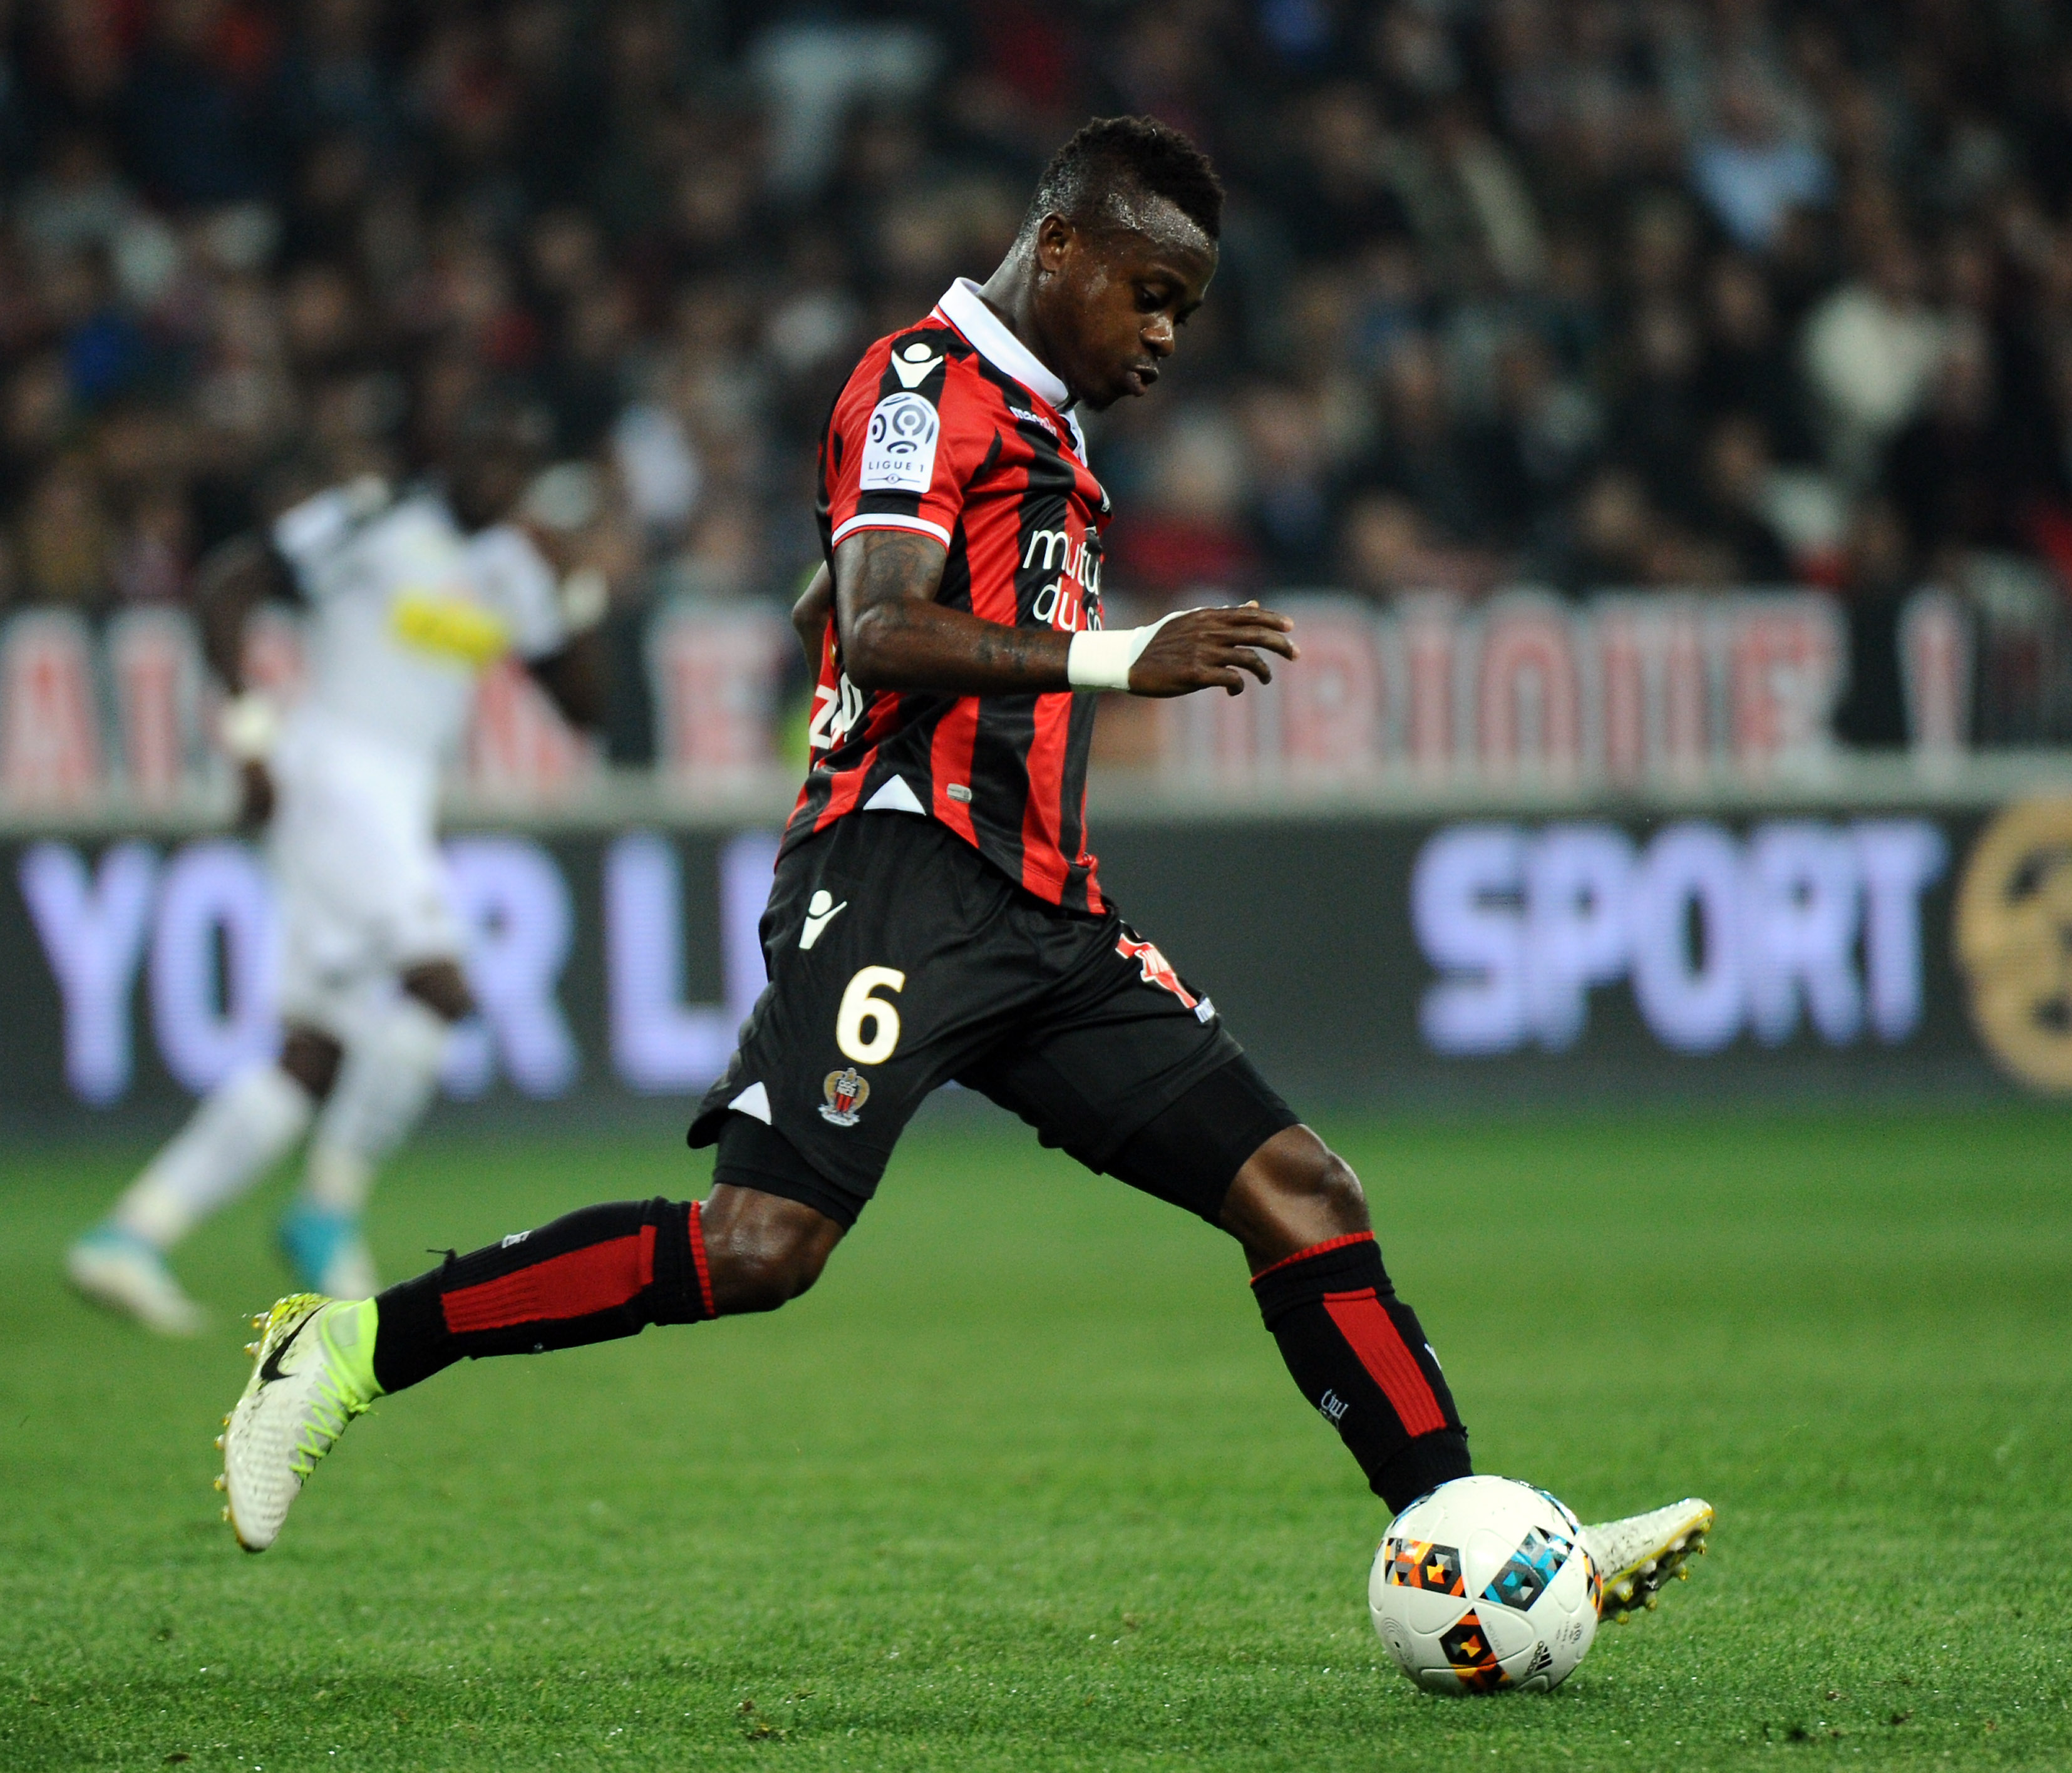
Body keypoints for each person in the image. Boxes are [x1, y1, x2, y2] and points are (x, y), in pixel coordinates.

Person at [214, 115, 1710, 1618]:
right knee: (761, 1246)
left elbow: (829, 600)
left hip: (1047, 913)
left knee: (1300, 1188)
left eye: (1183, 308)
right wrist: (1123, 661)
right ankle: (346, 1349)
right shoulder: (927, 386)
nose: (1165, 334)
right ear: (1059, 245)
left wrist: (853, 614)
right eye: (1149, 292)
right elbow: (871, 627)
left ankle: (1483, 1541)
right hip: (905, 880)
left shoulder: (1038, 416)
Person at [67, 401, 607, 1334]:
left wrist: (578, 593)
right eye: (487, 454)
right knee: (441, 988)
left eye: (518, 464)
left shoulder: (516, 570)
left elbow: (581, 705)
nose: (500, 478)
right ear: (451, 451)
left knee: (310, 1053)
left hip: (398, 799)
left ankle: (132, 1234)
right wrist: (247, 733)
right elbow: (231, 584)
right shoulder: (380, 518)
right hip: (332, 774)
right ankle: (325, 1209)